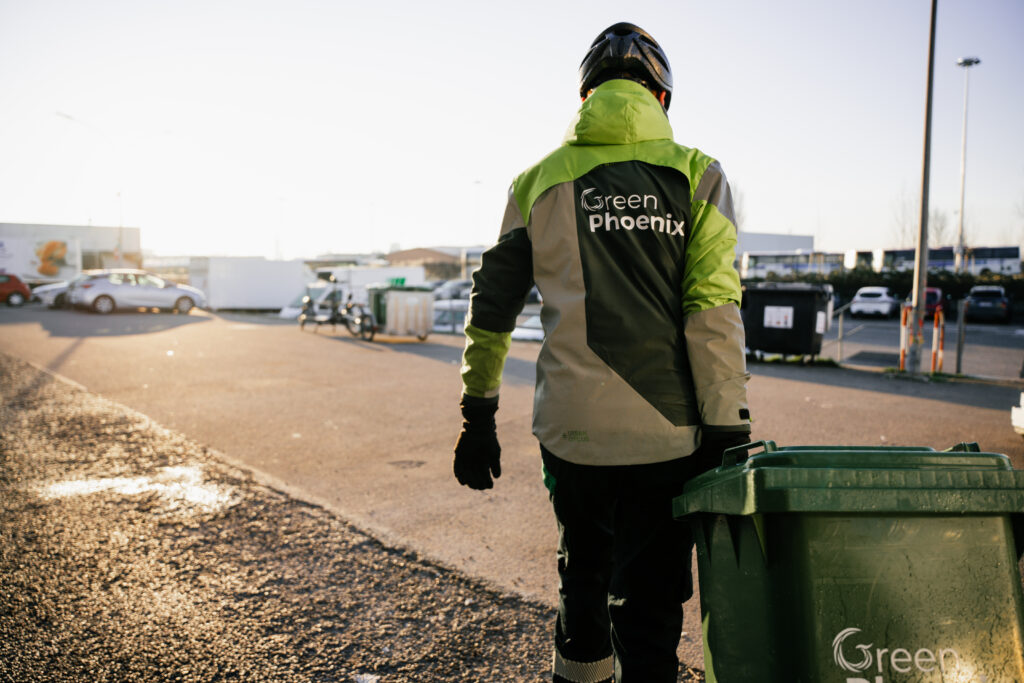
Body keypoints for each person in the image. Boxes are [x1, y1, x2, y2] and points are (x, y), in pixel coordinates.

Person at [453, 22, 751, 683]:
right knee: (649, 605)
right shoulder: (701, 177)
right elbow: (712, 311)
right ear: (663, 98)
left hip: (571, 432)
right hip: (669, 437)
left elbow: (492, 310)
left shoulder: (536, 182)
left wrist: (478, 414)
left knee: (582, 577)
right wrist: (727, 424)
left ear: (585, 95)